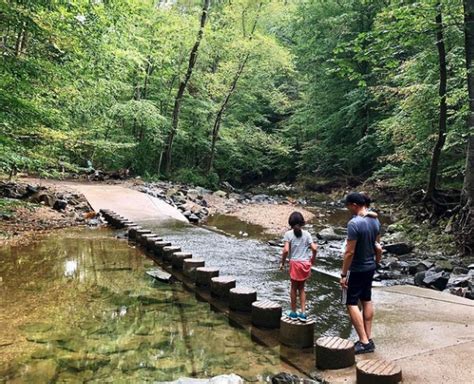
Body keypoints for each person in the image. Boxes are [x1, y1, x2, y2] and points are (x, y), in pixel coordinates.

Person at [340, 192, 381, 354]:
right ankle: (368, 338)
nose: (348, 209)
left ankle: (363, 341)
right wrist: (376, 262)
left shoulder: (354, 224)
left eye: (348, 206)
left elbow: (349, 252)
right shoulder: (375, 220)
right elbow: (378, 246)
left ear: (354, 205)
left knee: (351, 303)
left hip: (356, 268)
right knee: (366, 299)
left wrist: (344, 274)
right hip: (370, 266)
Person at [280, 211, 318, 322]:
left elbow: (286, 250)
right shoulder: (307, 234)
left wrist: (282, 262)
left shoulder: (288, 234)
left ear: (290, 223)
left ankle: (293, 312)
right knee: (302, 288)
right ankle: (303, 313)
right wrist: (312, 260)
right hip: (305, 263)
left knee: (293, 287)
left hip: (295, 263)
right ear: (302, 222)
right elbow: (314, 248)